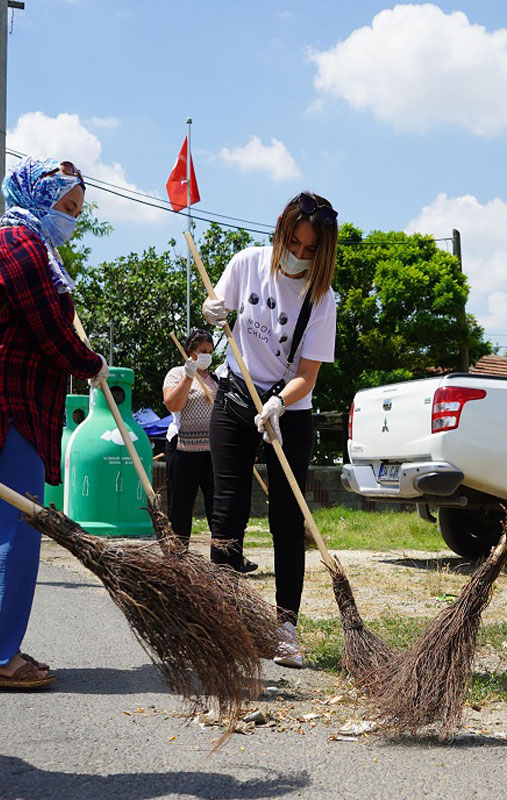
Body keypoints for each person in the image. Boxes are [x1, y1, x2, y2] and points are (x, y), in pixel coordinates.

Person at [0, 157, 107, 690]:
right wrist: (92, 365)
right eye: (65, 206)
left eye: (77, 211)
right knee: (14, 528)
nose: (71, 218)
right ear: (37, 195)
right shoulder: (19, 243)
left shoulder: (20, 242)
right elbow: (48, 327)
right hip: (6, 397)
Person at [202, 192, 340, 669]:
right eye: (294, 244)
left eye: (310, 250)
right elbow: (215, 305)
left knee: (286, 518)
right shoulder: (247, 263)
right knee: (228, 510)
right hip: (235, 397)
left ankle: (285, 627)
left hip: (289, 411)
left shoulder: (322, 297)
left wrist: (280, 403)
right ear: (281, 231)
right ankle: (222, 619)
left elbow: (309, 373)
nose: (299, 256)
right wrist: (213, 311)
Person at [162, 329, 221, 547]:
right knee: (180, 506)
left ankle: (225, 554)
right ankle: (177, 556)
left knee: (218, 506)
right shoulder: (176, 374)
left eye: (210, 351)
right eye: (202, 351)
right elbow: (173, 404)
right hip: (183, 450)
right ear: (190, 352)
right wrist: (188, 376)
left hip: (213, 452)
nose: (207, 355)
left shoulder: (216, 378)